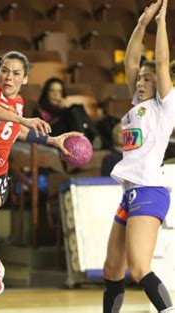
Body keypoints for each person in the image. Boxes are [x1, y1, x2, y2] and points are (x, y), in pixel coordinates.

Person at [0, 51, 81, 313]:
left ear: (25, 78)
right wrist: (21, 119)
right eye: (5, 70)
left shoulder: (18, 103)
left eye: (16, 73)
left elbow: (16, 131)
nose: (9, 76)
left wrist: (53, 140)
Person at [102, 1, 175, 312]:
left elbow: (160, 63)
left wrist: (161, 22)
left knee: (139, 268)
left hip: (149, 191)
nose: (141, 82)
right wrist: (141, 24)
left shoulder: (165, 105)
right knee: (111, 269)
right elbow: (131, 61)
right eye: (141, 80)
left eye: (148, 80)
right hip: (130, 194)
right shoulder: (138, 105)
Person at [33, 77, 101, 148]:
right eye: (52, 91)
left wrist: (64, 108)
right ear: (46, 93)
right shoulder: (40, 109)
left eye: (59, 91)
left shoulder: (65, 109)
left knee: (76, 108)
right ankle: (92, 136)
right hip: (54, 134)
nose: (55, 94)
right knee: (74, 109)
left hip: (68, 131)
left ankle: (89, 139)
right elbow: (41, 131)